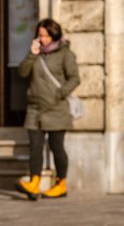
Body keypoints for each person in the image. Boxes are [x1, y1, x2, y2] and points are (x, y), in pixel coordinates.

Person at [15, 18, 81, 200]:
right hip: (34, 109)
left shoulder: (65, 54)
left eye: (45, 35)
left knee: (56, 147)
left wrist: (59, 94)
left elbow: (74, 78)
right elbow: (22, 72)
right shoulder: (36, 53)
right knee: (34, 147)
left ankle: (61, 184)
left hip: (56, 108)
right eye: (39, 35)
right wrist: (31, 54)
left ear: (54, 35)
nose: (41, 38)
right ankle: (34, 182)